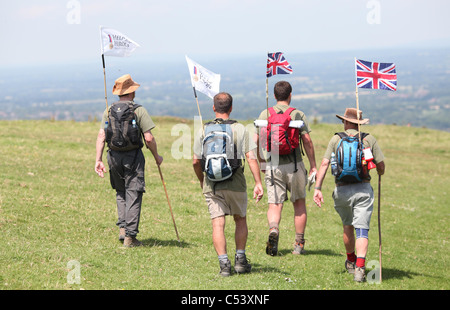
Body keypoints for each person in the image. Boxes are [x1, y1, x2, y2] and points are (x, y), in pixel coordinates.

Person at [193, 92, 264, 277]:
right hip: (236, 183)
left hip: (212, 184)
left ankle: (224, 265)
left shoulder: (203, 129)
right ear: (231, 108)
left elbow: (195, 161)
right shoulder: (240, 129)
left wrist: (202, 180)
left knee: (218, 224)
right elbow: (250, 157)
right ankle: (240, 261)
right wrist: (258, 182)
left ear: (214, 108)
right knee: (240, 219)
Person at [313, 108, 385, 282]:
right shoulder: (369, 139)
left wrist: (318, 188)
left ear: (345, 122)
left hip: (341, 191)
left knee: (347, 226)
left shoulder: (336, 139)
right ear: (359, 124)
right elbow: (381, 167)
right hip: (363, 190)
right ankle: (361, 268)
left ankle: (351, 260)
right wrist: (378, 171)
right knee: (362, 229)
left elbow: (324, 163)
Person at [95, 74, 163, 247]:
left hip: (113, 156)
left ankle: (123, 230)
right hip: (133, 157)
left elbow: (102, 135)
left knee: (120, 191)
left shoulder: (108, 110)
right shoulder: (138, 110)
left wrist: (98, 159)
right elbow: (148, 138)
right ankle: (130, 238)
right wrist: (157, 156)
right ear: (132, 92)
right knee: (134, 192)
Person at [255, 81, 317, 256]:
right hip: (295, 166)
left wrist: (262, 164)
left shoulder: (265, 113)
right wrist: (313, 165)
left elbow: (257, 141)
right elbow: (307, 141)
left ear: (275, 96)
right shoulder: (297, 114)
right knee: (299, 204)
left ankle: (274, 230)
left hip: (273, 166)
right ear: (290, 95)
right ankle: (298, 244)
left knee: (275, 204)